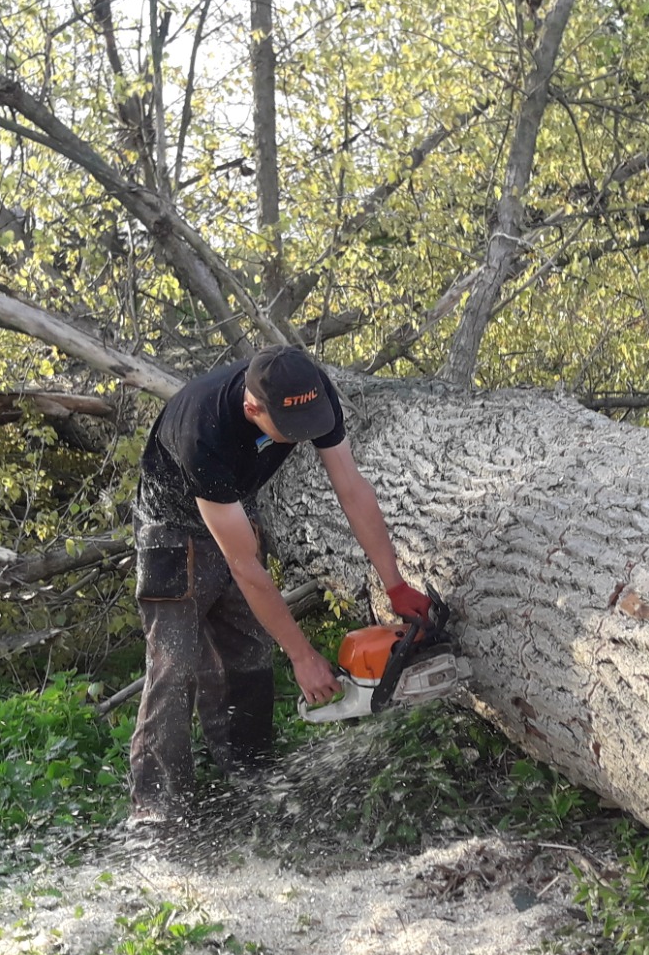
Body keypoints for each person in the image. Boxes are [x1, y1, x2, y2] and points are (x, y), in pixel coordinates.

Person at [128, 344, 429, 826]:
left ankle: (252, 774)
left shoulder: (307, 391)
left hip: (234, 509)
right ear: (252, 408)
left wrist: (395, 585)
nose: (301, 438)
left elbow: (351, 487)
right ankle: (157, 811)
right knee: (175, 663)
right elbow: (245, 566)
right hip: (172, 525)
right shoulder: (204, 430)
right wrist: (304, 655)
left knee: (246, 650)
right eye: (290, 431)